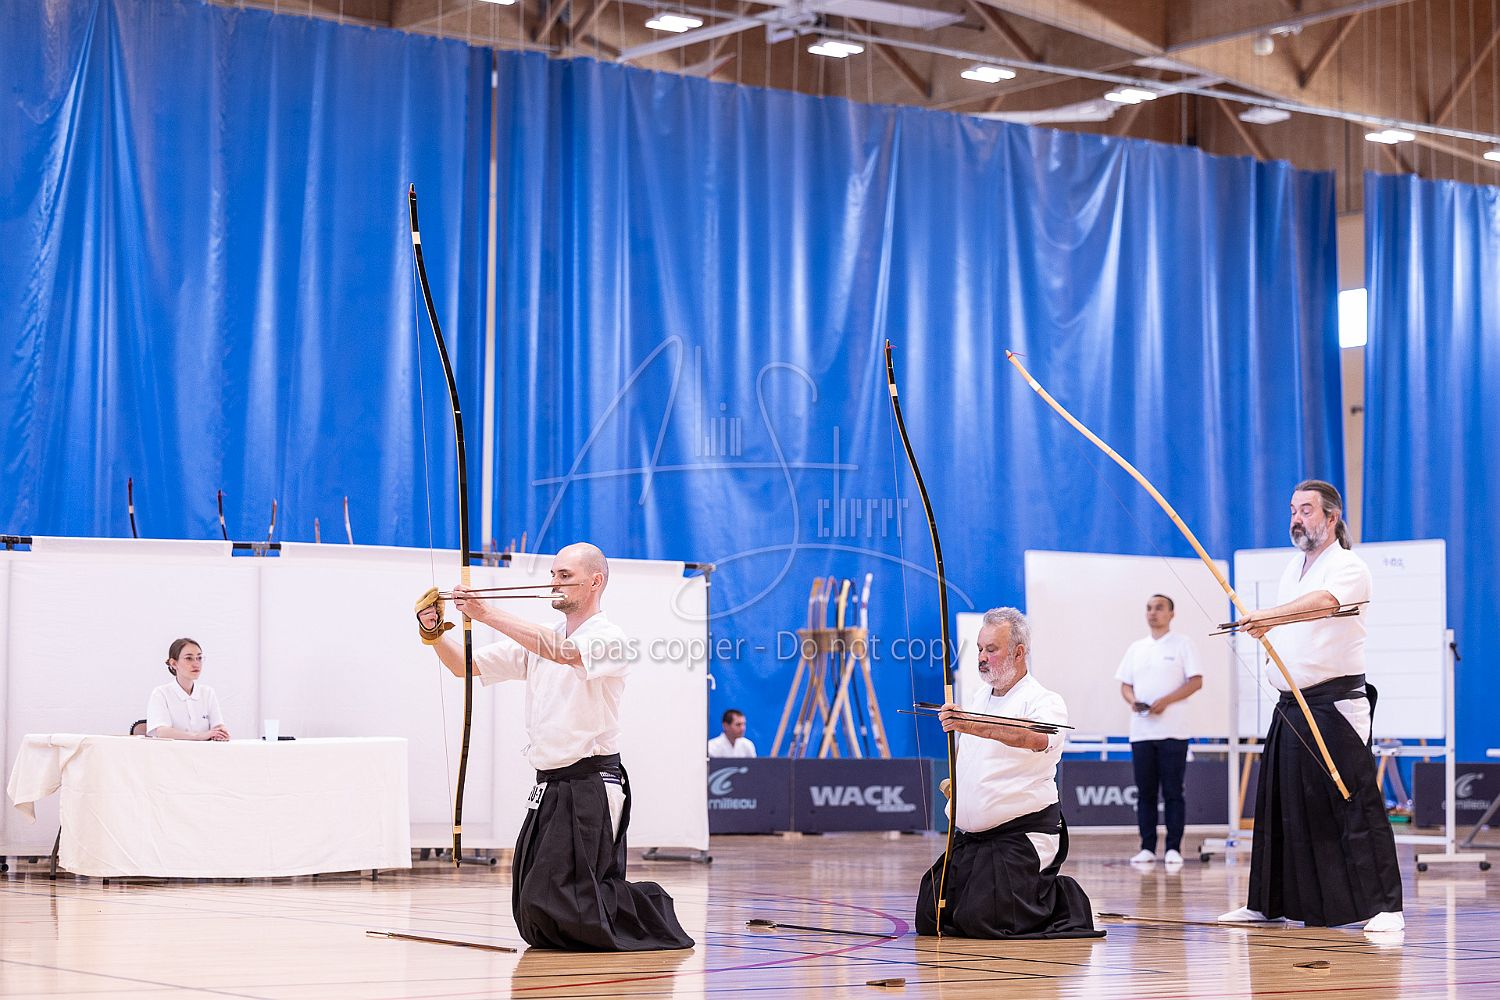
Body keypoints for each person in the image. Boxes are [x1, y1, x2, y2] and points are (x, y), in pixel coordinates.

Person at [416, 542, 693, 951]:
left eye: (565, 576)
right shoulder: (541, 641)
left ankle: (652, 912)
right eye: (553, 574)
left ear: (595, 581)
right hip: (549, 785)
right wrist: (433, 631)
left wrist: (487, 613)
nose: (554, 583)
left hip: (590, 783)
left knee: (566, 899)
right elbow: (464, 665)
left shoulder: (610, 637)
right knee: (532, 901)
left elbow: (564, 653)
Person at [1218, 480, 1403, 934]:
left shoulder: (1349, 566)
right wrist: (1270, 633)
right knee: (1279, 805)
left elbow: (1324, 605)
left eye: (1306, 510)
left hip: (1333, 705)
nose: (1296, 519)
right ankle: (1268, 903)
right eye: (1293, 510)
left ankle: (1386, 907)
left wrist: (1269, 617)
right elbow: (1297, 623)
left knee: (1351, 801)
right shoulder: (1293, 569)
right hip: (1291, 705)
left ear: (1331, 517)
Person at [917, 607, 1103, 940]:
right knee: (931, 914)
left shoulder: (1044, 700)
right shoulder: (978, 698)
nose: (981, 657)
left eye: (991, 649)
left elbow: (1035, 737)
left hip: (1021, 835)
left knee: (983, 918)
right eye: (979, 648)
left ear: (1018, 652)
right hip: (974, 838)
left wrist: (972, 724)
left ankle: (1060, 897)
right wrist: (959, 788)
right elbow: (971, 752)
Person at [1115, 594, 1203, 866]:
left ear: (1171, 614)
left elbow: (1196, 681)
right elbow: (1125, 685)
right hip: (1142, 732)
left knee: (1173, 792)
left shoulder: (1183, 644)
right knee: (1146, 793)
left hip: (1173, 732)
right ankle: (1148, 848)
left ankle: (1174, 848)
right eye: (1149, 608)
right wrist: (1133, 701)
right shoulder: (1136, 648)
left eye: (1159, 608)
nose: (1153, 613)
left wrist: (1166, 701)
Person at [145, 638, 230, 741]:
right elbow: (162, 732)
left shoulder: (207, 693)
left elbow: (218, 726)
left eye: (199, 658)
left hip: (205, 750)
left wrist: (221, 733)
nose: (196, 664)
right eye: (189, 658)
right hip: (172, 750)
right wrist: (199, 736)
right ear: (173, 663)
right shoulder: (161, 693)